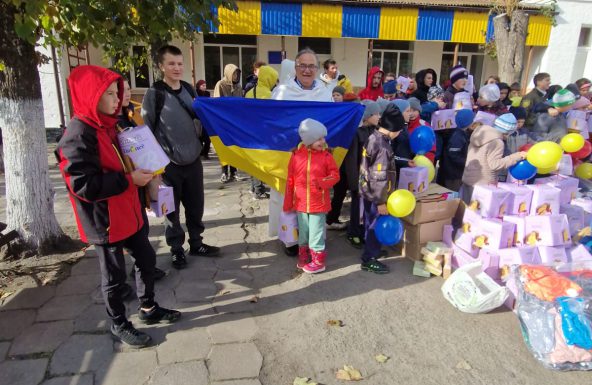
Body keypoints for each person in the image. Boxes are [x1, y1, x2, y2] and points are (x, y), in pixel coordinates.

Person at [57, 65, 181, 348]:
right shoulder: (77, 135)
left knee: (146, 259)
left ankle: (148, 309)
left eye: (117, 92)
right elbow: (82, 185)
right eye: (109, 93)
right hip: (105, 220)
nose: (117, 98)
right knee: (113, 277)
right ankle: (118, 323)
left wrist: (146, 179)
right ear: (91, 95)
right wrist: (129, 180)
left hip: (130, 211)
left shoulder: (111, 125)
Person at [142, 45, 220, 270]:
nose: (177, 68)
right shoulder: (154, 94)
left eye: (179, 63)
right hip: (168, 166)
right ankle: (176, 250)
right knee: (170, 211)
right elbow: (146, 132)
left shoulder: (188, 89)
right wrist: (153, 172)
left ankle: (197, 243)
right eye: (171, 64)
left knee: (196, 206)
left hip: (193, 161)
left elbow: (203, 116)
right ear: (161, 66)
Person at [271, 49, 333, 256]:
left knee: (315, 197)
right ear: (295, 67)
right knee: (287, 196)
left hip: (316, 161)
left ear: (317, 69)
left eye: (312, 66)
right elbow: (274, 122)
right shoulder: (282, 92)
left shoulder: (324, 93)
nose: (307, 70)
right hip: (290, 157)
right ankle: (291, 240)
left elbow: (331, 122)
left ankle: (314, 240)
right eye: (303, 66)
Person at [116, 76, 167, 284]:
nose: (127, 93)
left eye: (129, 88)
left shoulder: (130, 115)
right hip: (125, 182)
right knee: (131, 233)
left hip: (140, 178)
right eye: (121, 90)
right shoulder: (111, 123)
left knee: (142, 226)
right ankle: (137, 273)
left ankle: (144, 269)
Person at [284, 119, 339, 273]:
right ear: (308, 140)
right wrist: (288, 202)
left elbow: (335, 175)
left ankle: (318, 261)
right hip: (301, 203)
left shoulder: (327, 156)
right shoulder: (296, 156)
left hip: (318, 203)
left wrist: (322, 182)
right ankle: (304, 254)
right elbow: (290, 180)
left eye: (323, 138)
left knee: (316, 232)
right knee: (304, 232)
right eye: (319, 138)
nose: (323, 141)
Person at [359, 104, 402, 274]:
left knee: (371, 223)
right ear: (392, 129)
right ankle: (369, 258)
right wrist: (381, 202)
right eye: (399, 130)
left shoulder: (374, 137)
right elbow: (380, 177)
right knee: (374, 225)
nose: (399, 133)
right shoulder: (383, 148)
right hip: (376, 195)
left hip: (368, 191)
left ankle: (373, 250)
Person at [461, 113, 526, 203]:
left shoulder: (479, 133)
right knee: (478, 213)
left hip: (469, 178)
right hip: (484, 183)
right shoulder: (497, 142)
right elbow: (495, 164)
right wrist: (516, 156)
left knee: (466, 210)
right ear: (507, 132)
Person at [342, 101, 381, 249]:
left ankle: (363, 232)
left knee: (366, 208)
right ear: (367, 116)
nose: (379, 116)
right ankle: (353, 233)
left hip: (371, 178)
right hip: (359, 179)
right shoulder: (356, 133)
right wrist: (354, 183)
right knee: (356, 208)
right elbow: (351, 160)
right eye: (376, 114)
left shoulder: (375, 131)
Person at [245, 65, 279, 199]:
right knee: (261, 161)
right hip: (264, 133)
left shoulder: (250, 92)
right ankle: (259, 189)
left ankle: (254, 187)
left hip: (250, 131)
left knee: (253, 160)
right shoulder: (269, 95)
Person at [214, 64, 243, 183]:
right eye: (234, 73)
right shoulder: (220, 84)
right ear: (229, 73)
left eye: (237, 74)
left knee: (234, 147)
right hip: (223, 122)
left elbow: (241, 103)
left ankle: (234, 172)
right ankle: (224, 172)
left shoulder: (238, 87)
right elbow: (216, 102)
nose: (236, 76)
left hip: (234, 122)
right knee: (224, 147)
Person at [439, 109, 474, 191]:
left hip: (453, 171)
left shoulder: (460, 132)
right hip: (453, 173)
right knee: (452, 192)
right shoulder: (458, 137)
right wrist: (467, 161)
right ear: (468, 123)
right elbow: (453, 155)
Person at [407, 97, 436, 163]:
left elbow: (431, 146)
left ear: (419, 111)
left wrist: (428, 161)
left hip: (420, 161)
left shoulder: (424, 125)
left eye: (414, 110)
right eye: (409, 110)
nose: (411, 114)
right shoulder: (402, 125)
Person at [195, 80, 212, 160]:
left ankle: (205, 153)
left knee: (208, 139)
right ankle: (199, 154)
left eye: (205, 85)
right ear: (199, 86)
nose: (204, 87)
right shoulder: (195, 93)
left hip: (205, 118)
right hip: (197, 118)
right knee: (199, 138)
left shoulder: (207, 94)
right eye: (202, 85)